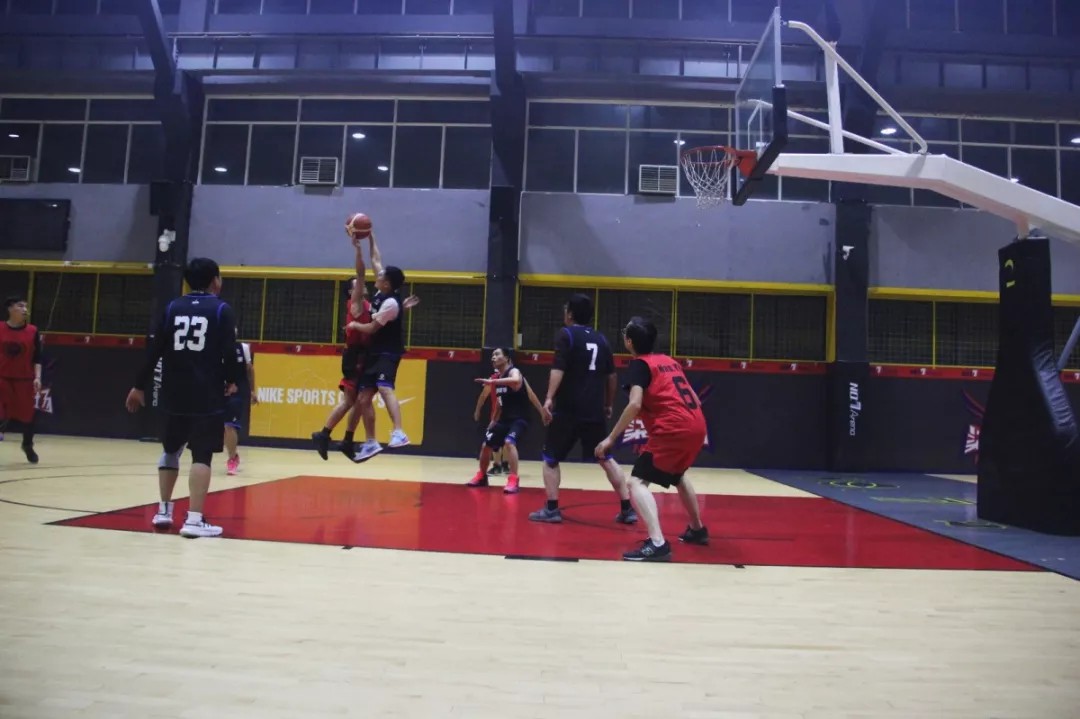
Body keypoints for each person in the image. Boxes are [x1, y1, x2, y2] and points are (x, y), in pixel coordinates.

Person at [125, 257, 241, 539]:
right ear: (215, 280)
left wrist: (138, 385)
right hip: (207, 394)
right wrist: (232, 381)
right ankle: (194, 519)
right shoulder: (221, 309)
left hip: (173, 392)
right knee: (202, 454)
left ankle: (164, 511)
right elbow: (230, 352)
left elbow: (155, 350)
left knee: (170, 449)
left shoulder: (172, 307)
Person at [595, 316, 709, 562]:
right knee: (677, 475)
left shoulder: (639, 365)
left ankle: (657, 543)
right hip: (697, 424)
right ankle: (697, 529)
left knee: (636, 482)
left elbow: (635, 404)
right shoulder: (668, 361)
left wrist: (610, 439)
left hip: (674, 428)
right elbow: (694, 398)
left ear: (629, 342)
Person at [528, 293, 636, 525]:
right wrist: (608, 404)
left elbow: (558, 369)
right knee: (606, 457)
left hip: (567, 410)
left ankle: (551, 509)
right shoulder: (602, 339)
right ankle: (627, 509)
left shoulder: (566, 334)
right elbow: (612, 376)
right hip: (593, 410)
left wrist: (549, 398)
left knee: (550, 458)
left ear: (569, 314)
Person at [312, 232, 418, 462]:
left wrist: (369, 238)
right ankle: (333, 436)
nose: (375, 276)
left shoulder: (382, 299)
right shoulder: (360, 301)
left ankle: (375, 436)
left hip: (378, 352)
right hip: (359, 354)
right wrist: (362, 245)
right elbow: (367, 269)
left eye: (380, 276)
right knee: (355, 400)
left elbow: (378, 320)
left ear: (386, 283)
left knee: (364, 397)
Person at [349, 231, 411, 462]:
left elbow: (372, 328)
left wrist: (354, 324)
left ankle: (399, 432)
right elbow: (376, 258)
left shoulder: (390, 303)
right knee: (363, 398)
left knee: (385, 388)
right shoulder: (381, 290)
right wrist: (369, 237)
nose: (378, 272)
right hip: (374, 353)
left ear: (386, 283)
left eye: (381, 275)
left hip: (388, 352)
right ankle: (371, 442)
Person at [467, 348, 547, 494]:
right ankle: (482, 476)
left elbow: (516, 381)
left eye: (497, 354)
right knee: (486, 445)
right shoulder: (498, 379)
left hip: (520, 419)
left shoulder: (513, 372)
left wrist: (542, 412)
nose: (493, 357)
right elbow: (500, 402)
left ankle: (513, 479)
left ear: (507, 358)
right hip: (504, 419)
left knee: (509, 442)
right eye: (492, 355)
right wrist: (494, 420)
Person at [0, 296, 42, 464]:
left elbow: (38, 357)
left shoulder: (32, 331)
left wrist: (37, 377)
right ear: (10, 309)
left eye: (26, 306)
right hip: (2, 378)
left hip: (24, 380)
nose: (25, 309)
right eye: (20, 306)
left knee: (27, 417)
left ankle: (27, 445)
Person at [224, 336, 257, 475]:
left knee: (229, 425)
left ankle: (232, 459)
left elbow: (250, 369)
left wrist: (252, 391)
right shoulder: (214, 345)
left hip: (238, 391)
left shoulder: (243, 348)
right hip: (221, 389)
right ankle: (233, 454)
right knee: (223, 428)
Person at [473, 366, 507, 475]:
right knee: (507, 441)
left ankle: (497, 466)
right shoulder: (513, 378)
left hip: (497, 415)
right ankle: (505, 465)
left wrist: (477, 410)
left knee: (495, 440)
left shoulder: (493, 379)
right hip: (509, 414)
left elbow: (483, 396)